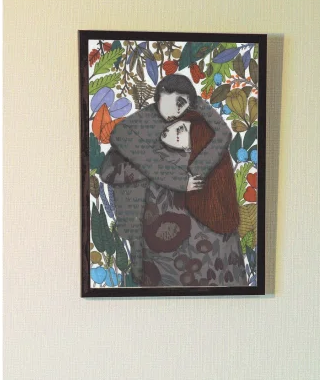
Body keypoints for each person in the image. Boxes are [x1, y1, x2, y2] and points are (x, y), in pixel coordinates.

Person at [104, 74, 246, 286]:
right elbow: (146, 160)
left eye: (185, 106)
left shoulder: (190, 108)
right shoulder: (132, 127)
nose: (179, 112)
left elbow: (223, 133)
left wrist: (197, 168)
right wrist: (181, 180)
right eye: (178, 102)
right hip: (140, 207)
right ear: (163, 92)